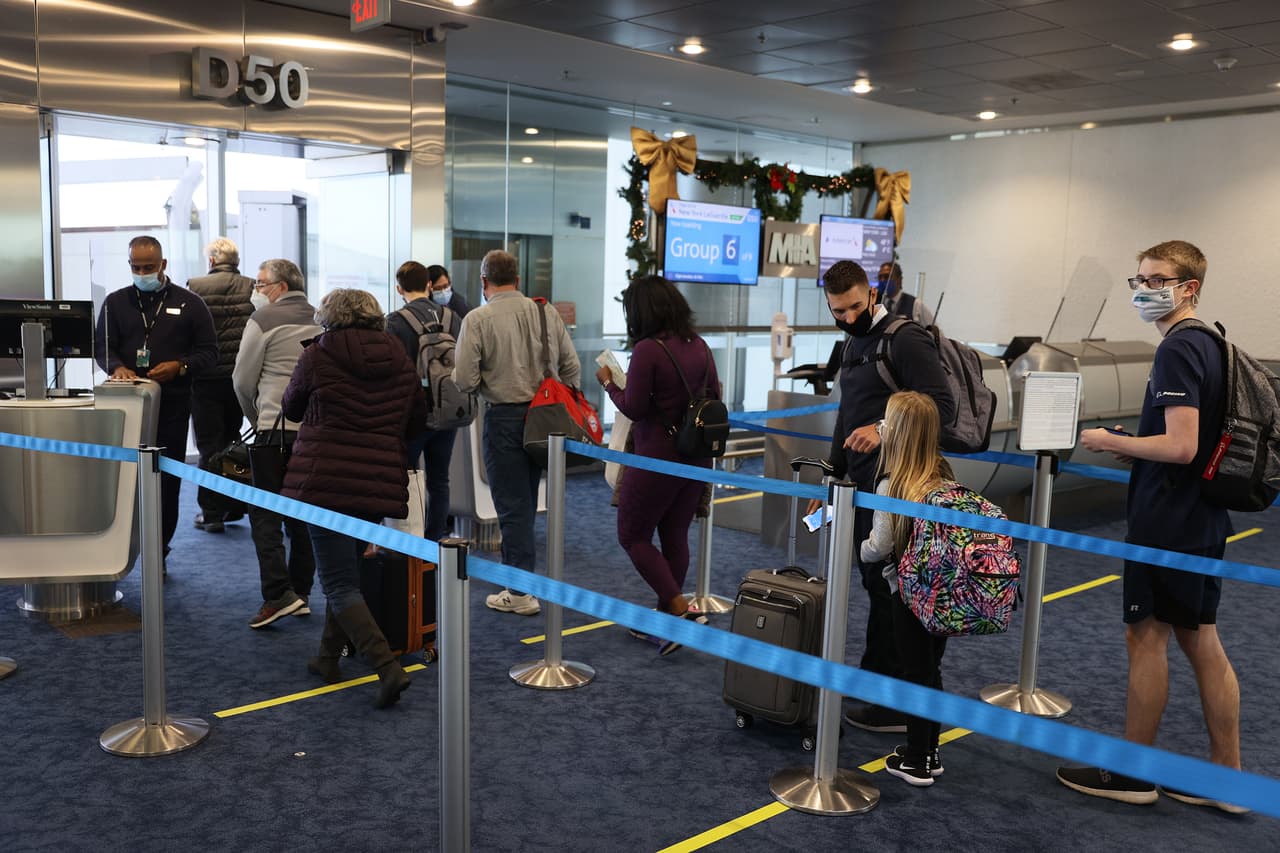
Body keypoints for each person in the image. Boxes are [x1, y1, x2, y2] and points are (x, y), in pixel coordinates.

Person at [1057, 240, 1246, 814]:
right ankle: (1227, 777)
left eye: (1156, 279)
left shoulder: (1179, 349)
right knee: (1201, 640)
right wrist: (1140, 446)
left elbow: (1182, 445)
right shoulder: (1214, 343)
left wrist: (1110, 441)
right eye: (1138, 278)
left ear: (1188, 287)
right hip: (1203, 516)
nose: (1143, 289)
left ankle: (1132, 772)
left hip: (1169, 521)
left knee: (1147, 638)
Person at [811, 260, 954, 733]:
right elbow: (845, 416)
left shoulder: (905, 337)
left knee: (897, 592)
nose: (848, 317)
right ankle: (879, 687)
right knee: (877, 587)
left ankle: (897, 701)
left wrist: (882, 428)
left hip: (902, 486)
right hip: (861, 487)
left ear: (872, 293)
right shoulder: (854, 339)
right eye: (837, 311)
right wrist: (831, 478)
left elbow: (941, 405)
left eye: (855, 307)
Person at [281, 288, 427, 708]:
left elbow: (291, 408)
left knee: (339, 581)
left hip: (323, 478)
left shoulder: (317, 355)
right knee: (344, 574)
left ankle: (387, 668)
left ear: (329, 318)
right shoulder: (399, 356)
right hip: (376, 480)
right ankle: (327, 658)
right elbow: (417, 418)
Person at [594, 276, 719, 655]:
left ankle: (679, 612)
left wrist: (608, 383)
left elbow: (633, 407)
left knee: (632, 535)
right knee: (675, 535)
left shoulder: (649, 349)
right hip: (695, 458)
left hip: (656, 457)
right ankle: (666, 619)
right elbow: (715, 396)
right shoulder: (698, 344)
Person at [453, 249, 581, 616]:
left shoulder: (477, 319)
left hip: (504, 419)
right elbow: (571, 367)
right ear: (518, 280)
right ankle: (523, 582)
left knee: (512, 505)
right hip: (546, 418)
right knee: (527, 497)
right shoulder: (545, 311)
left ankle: (521, 590)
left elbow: (464, 378)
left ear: (483, 282)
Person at [95, 235, 218, 562]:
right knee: (123, 482)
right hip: (125, 408)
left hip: (172, 408)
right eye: (136, 267)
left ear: (163, 265)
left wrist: (181, 366)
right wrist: (116, 367)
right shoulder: (115, 302)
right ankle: (119, 548)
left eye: (148, 267)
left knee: (166, 484)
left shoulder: (191, 304)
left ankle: (158, 551)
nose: (142, 272)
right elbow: (102, 348)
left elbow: (210, 353)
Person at [859, 391, 953, 786]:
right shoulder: (944, 473)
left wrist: (861, 548)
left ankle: (918, 759)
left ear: (894, 433)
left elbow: (878, 546)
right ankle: (929, 748)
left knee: (915, 672)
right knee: (931, 669)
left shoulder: (891, 484)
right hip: (945, 588)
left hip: (908, 592)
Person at [232, 258, 320, 629]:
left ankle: (277, 594)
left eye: (261, 283)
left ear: (281, 286)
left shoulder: (262, 321)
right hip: (313, 431)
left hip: (274, 427)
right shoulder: (320, 317)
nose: (257, 290)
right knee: (304, 514)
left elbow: (241, 379)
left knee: (264, 513)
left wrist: (255, 419)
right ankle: (301, 590)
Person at [386, 260, 464, 542]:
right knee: (439, 480)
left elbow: (390, 372)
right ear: (429, 285)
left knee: (407, 479)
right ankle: (434, 540)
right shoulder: (452, 317)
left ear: (399, 289)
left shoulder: (394, 322)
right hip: (447, 409)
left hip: (412, 415)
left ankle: (410, 540)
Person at [186, 237, 254, 533]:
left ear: (211, 261)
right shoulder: (252, 286)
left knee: (208, 445)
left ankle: (211, 512)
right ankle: (235, 506)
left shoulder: (195, 287)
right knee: (233, 441)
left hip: (205, 379)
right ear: (235, 261)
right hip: (238, 379)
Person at [877, 262, 935, 327]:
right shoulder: (877, 303)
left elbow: (934, 331)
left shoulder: (915, 304)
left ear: (899, 280)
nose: (882, 280)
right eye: (880, 277)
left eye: (886, 277)